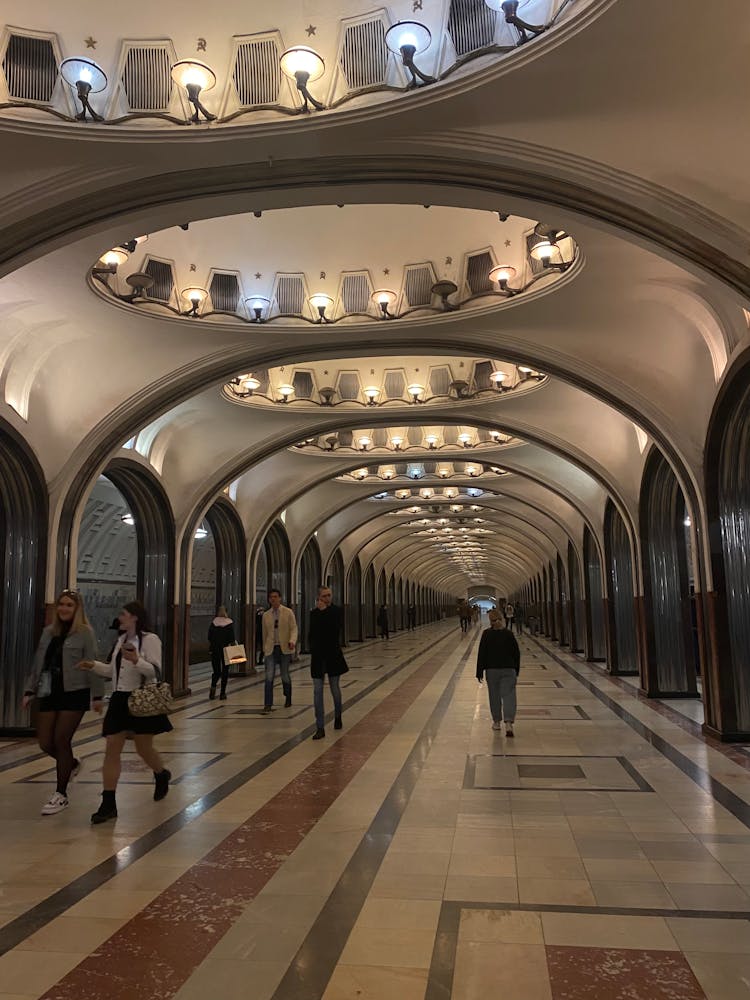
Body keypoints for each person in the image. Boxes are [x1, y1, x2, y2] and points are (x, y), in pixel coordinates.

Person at [78, 600, 172, 824]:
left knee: (143, 748)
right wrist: (92, 665)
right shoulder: (121, 640)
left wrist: (137, 660)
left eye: (123, 614)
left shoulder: (150, 640)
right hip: (120, 699)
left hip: (140, 698)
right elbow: (113, 671)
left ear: (135, 617)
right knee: (112, 749)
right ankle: (108, 803)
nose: (119, 617)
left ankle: (161, 773)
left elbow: (155, 671)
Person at [22, 589, 103, 815]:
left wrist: (97, 696)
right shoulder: (48, 632)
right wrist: (29, 690)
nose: (64, 609)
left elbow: (92, 664)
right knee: (45, 742)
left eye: (69, 605)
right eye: (61, 604)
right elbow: (39, 662)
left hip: (74, 692)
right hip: (48, 691)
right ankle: (71, 764)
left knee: (61, 739)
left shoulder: (85, 633)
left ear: (77, 609)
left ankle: (61, 794)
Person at [308, 585, 348, 740]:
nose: (327, 598)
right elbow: (313, 633)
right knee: (317, 691)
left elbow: (334, 630)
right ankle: (320, 726)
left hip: (333, 655)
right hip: (318, 657)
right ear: (319, 597)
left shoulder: (336, 611)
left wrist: (324, 612)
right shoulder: (314, 614)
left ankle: (338, 716)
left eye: (329, 595)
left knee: (334, 688)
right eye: (324, 596)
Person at [476, 609, 521, 737]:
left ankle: (496, 722)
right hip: (509, 669)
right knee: (509, 696)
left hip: (492, 670)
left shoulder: (486, 634)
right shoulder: (508, 634)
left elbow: (482, 654)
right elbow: (516, 653)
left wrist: (479, 672)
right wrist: (516, 669)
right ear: (502, 619)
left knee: (494, 696)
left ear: (490, 621)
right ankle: (508, 722)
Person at [261, 589, 298, 713]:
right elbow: (264, 633)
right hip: (271, 648)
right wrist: (264, 649)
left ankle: (288, 696)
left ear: (280, 598)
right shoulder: (266, 615)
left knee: (285, 675)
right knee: (269, 676)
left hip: (284, 648)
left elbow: (294, 628)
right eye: (271, 597)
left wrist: (292, 640)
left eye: (275, 596)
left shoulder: (288, 612)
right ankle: (268, 703)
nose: (273, 599)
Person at [207, 605, 236, 700]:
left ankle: (213, 687)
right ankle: (222, 693)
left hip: (215, 649)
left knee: (216, 671)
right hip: (226, 649)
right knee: (225, 671)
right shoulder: (229, 623)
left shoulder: (213, 623)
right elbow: (231, 638)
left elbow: (209, 637)